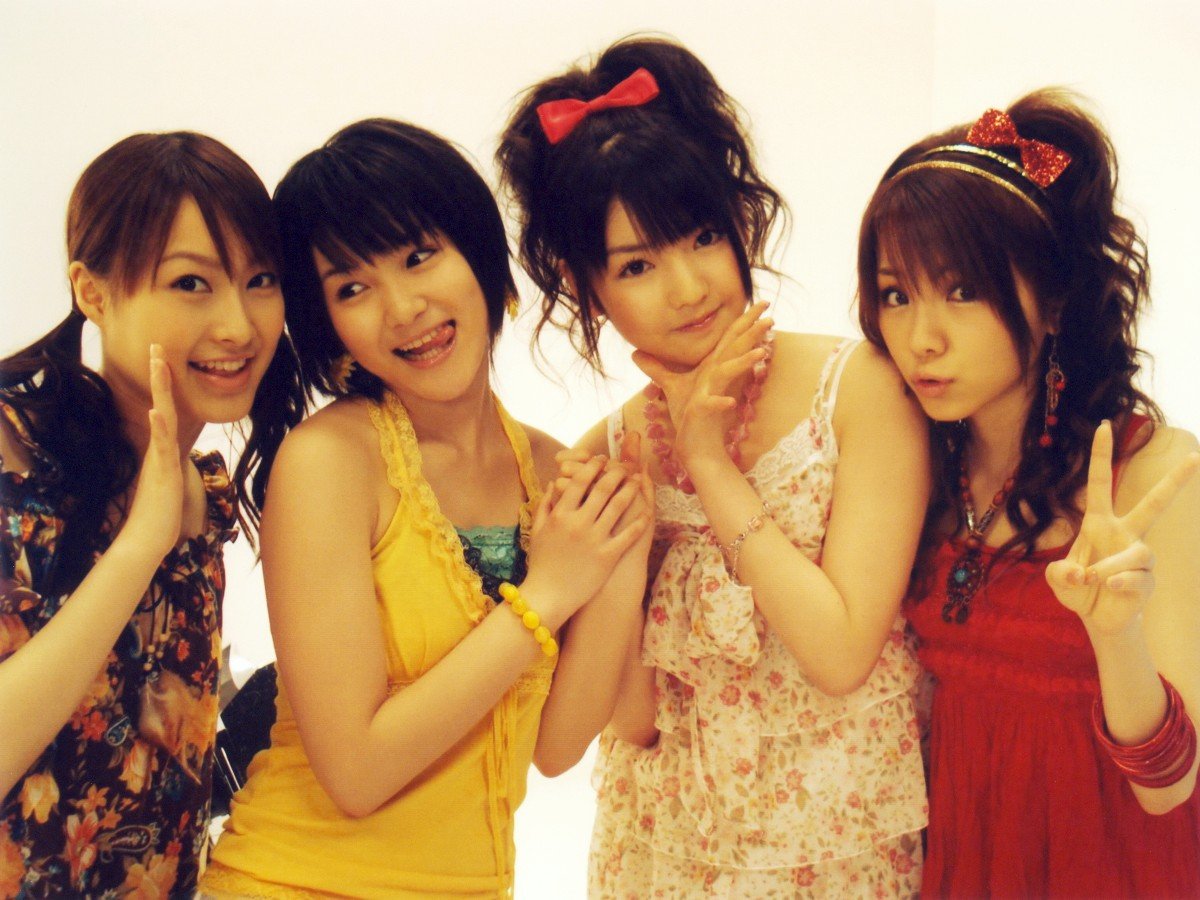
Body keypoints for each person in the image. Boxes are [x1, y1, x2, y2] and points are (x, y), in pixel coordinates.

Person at [497, 37, 930, 896]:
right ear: (586, 289)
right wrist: (619, 557)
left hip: (840, 853)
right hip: (663, 855)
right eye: (637, 266)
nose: (689, 287)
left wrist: (708, 462)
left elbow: (841, 655)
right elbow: (625, 726)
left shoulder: (859, 392)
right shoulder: (602, 459)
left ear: (740, 225)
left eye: (702, 238)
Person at [201, 118, 652, 898]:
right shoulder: (329, 462)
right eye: (352, 288)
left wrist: (619, 555)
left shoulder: (553, 470)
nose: (403, 307)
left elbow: (553, 748)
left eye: (418, 256)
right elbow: (357, 771)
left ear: (477, 254)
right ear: (329, 326)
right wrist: (547, 592)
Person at [857, 89, 1200, 896]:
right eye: (897, 293)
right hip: (965, 862)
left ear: (1054, 302)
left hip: (1111, 869)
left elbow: (1171, 789)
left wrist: (1116, 635)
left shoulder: (1150, 475)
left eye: (962, 291)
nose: (920, 337)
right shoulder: (918, 470)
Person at [0, 131, 294, 896]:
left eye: (260, 280)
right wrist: (139, 546)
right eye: (192, 283)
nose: (238, 326)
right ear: (93, 293)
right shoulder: (12, 450)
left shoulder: (203, 495)